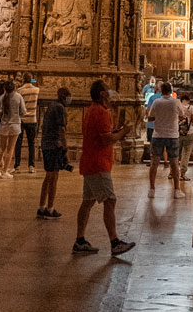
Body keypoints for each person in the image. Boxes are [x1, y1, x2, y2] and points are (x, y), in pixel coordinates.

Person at [73, 81, 135, 256]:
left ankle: (80, 240)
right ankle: (115, 242)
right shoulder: (101, 112)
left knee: (88, 202)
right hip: (98, 164)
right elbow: (107, 139)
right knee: (110, 200)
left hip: (91, 162)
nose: (110, 92)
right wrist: (125, 131)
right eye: (107, 89)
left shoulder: (92, 110)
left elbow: (105, 135)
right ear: (102, 94)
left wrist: (118, 132)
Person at [37, 86, 71, 219]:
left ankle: (41, 206)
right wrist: (65, 147)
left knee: (48, 176)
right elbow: (62, 130)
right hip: (54, 145)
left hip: (46, 144)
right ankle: (50, 208)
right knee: (53, 177)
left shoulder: (52, 105)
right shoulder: (60, 108)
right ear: (64, 96)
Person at [148, 81, 183, 196]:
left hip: (158, 135)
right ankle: (177, 190)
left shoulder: (157, 102)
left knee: (154, 163)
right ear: (171, 91)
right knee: (174, 162)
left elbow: (150, 118)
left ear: (161, 91)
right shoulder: (176, 102)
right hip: (172, 135)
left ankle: (152, 189)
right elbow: (182, 116)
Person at [0, 78, 25, 179]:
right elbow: (23, 111)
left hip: (4, 124)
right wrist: (18, 114)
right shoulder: (18, 97)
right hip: (15, 124)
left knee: (1, 148)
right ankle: (5, 171)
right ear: (14, 88)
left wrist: (1, 117)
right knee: (10, 149)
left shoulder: (2, 97)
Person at [14, 74, 40, 175]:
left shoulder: (20, 90)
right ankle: (31, 166)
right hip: (32, 119)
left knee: (18, 143)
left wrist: (24, 81)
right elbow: (36, 81)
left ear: (23, 79)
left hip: (21, 119)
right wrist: (32, 79)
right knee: (31, 143)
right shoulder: (36, 90)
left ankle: (17, 166)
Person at [178, 91, 193, 183]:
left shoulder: (177, 107)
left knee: (175, 154)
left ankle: (172, 172)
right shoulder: (191, 108)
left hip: (177, 133)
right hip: (189, 133)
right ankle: (182, 173)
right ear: (189, 100)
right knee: (186, 154)